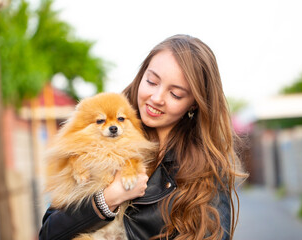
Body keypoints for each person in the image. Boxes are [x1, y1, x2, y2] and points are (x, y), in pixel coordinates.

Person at [39, 34, 246, 240]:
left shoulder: (207, 167)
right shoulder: (103, 124)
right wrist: (108, 199)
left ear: (194, 103)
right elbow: (49, 232)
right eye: (151, 81)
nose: (156, 98)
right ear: (141, 75)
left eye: (175, 94)